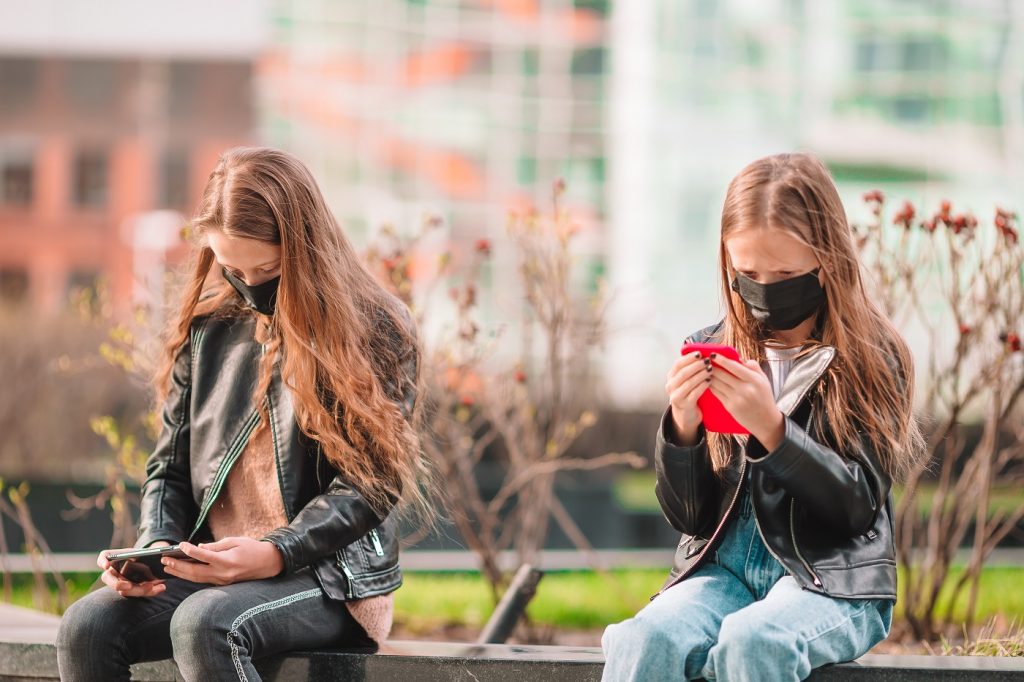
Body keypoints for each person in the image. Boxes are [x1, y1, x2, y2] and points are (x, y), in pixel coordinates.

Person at [57, 146, 429, 681]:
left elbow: (372, 484)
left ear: (305, 251)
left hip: (328, 577)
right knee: (84, 629)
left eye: (269, 269)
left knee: (205, 625)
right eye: (232, 269)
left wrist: (276, 552)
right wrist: (154, 549)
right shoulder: (206, 327)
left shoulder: (375, 324)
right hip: (212, 569)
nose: (251, 286)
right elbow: (169, 469)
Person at [601, 153, 923, 681]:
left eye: (787, 273)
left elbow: (857, 508)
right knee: (643, 638)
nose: (765, 288)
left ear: (829, 262)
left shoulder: (873, 356)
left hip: (828, 579)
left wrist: (773, 431)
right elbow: (690, 520)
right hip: (722, 570)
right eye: (747, 272)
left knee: (756, 640)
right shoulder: (714, 347)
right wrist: (682, 428)